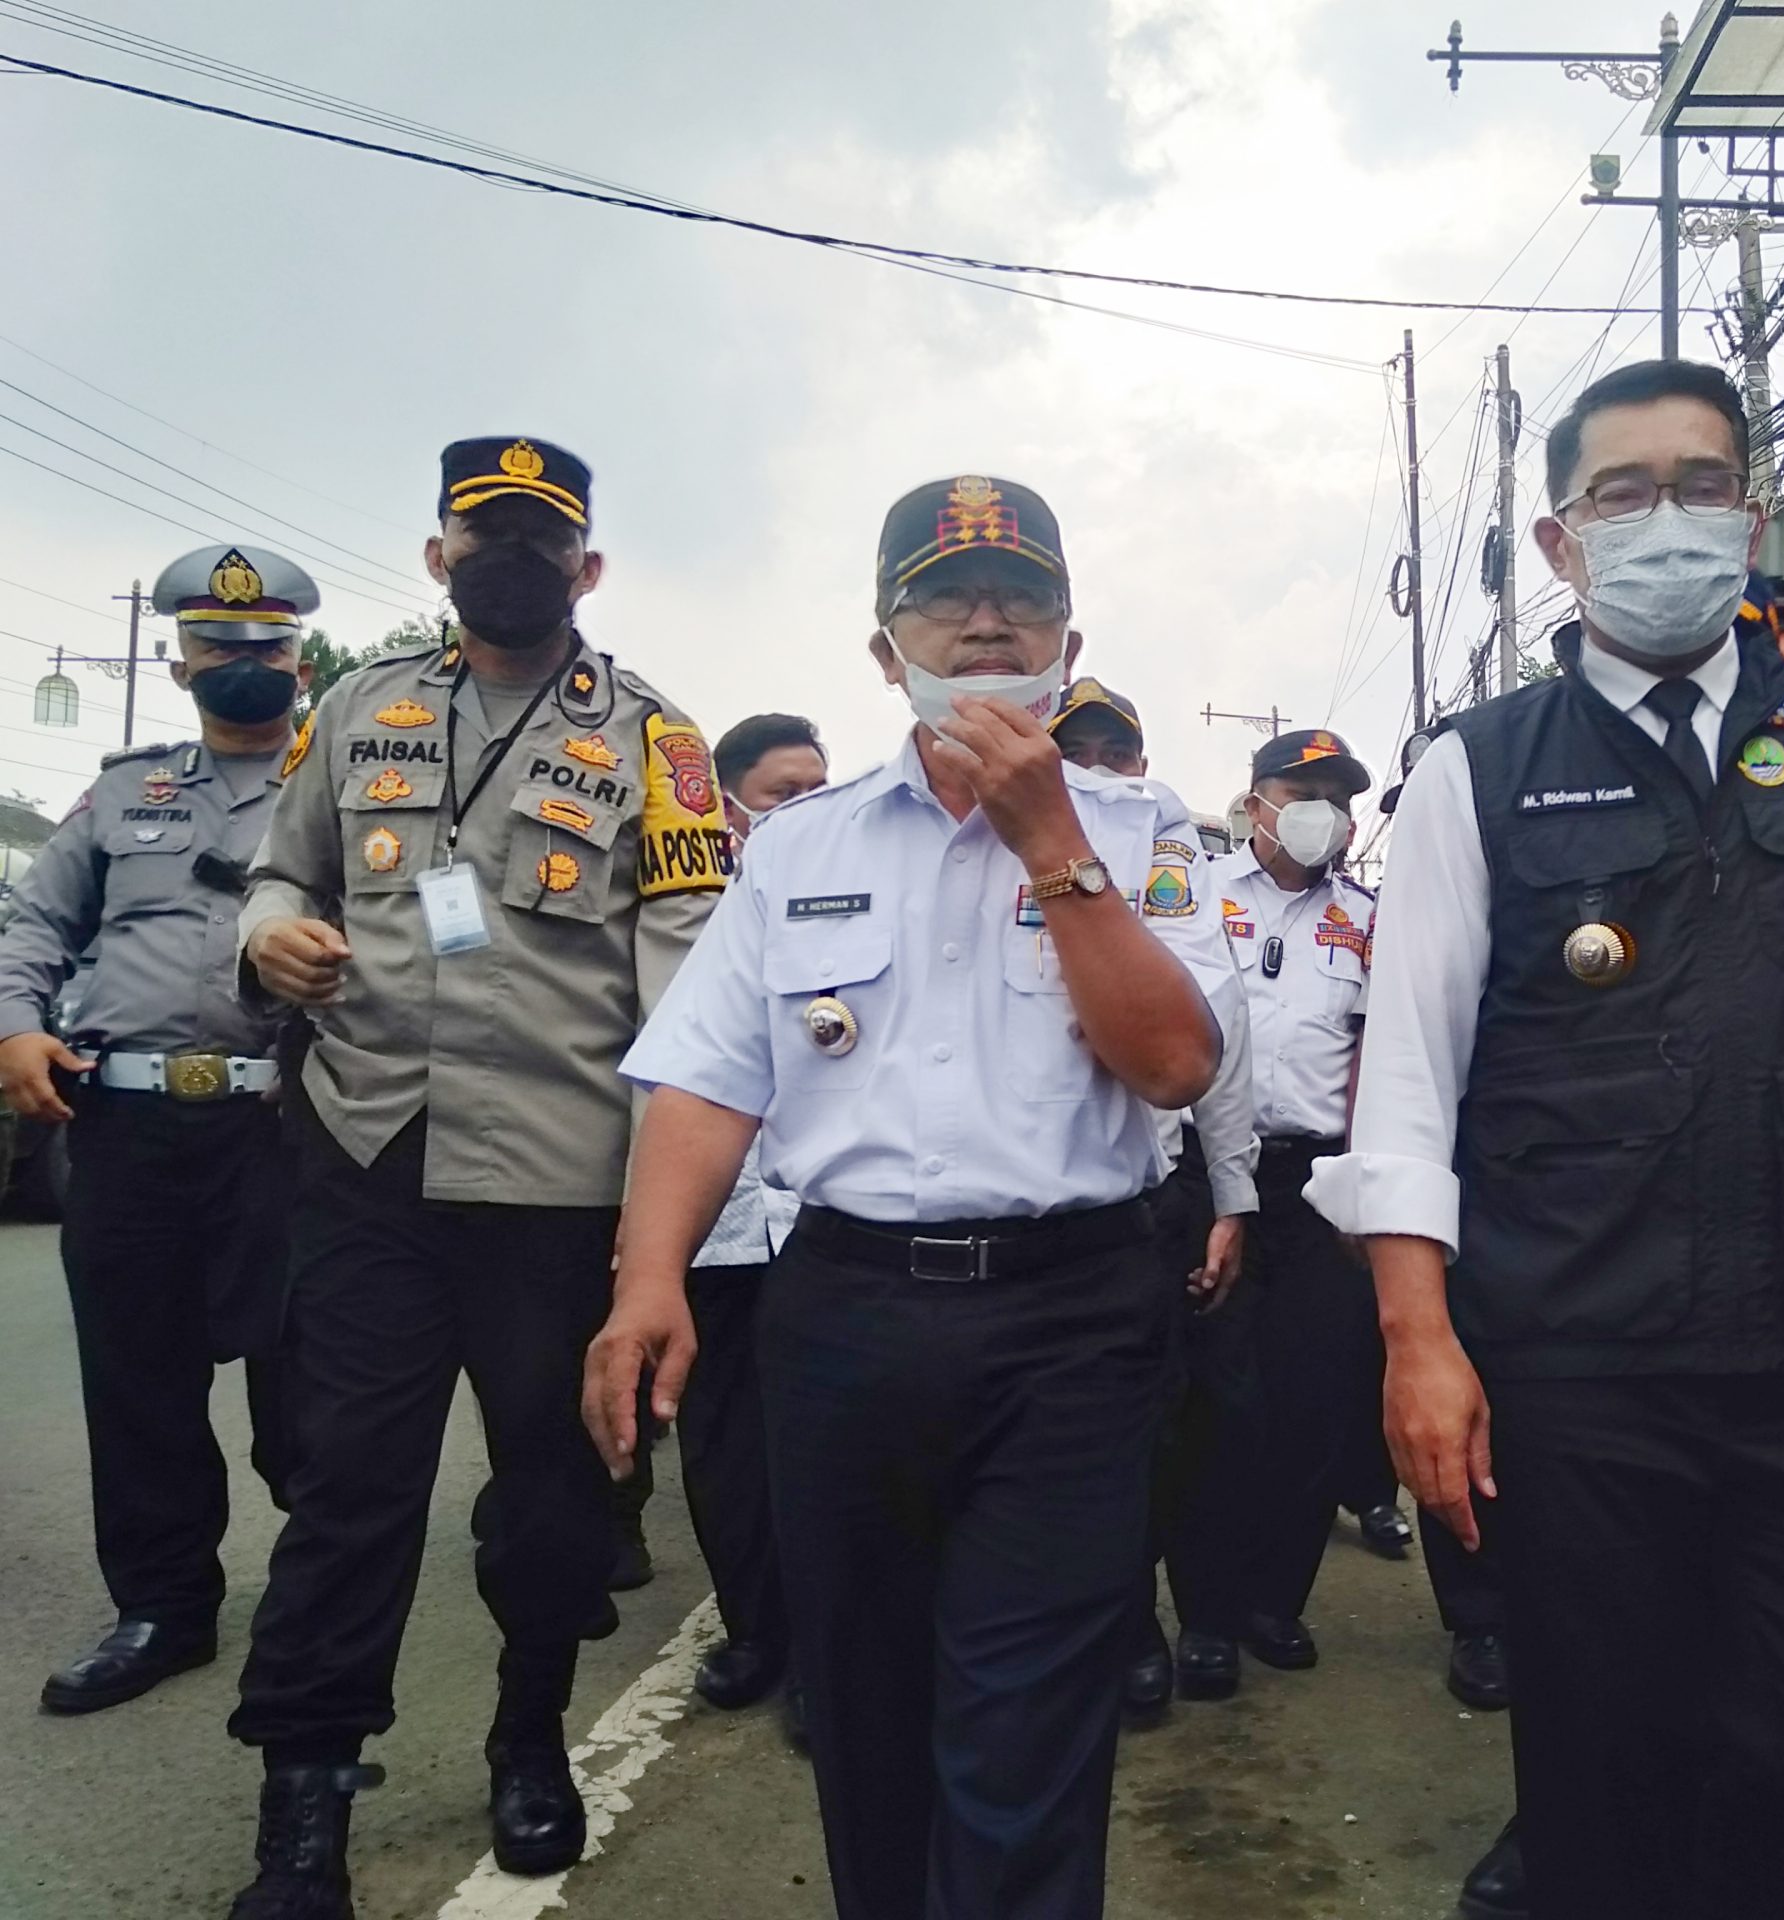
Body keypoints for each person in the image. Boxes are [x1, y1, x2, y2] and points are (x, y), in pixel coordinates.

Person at [1307, 358, 1784, 1920]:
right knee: (1606, 1752)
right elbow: (1409, 1084)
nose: (1666, 520)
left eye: (1700, 484)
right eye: (1622, 494)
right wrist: (1416, 1340)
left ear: (1752, 520)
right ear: (1563, 544)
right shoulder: (1475, 771)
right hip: (1577, 1357)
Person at [586, 475, 1240, 1920]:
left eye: (1021, 593)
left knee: (1025, 1728)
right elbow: (704, 1082)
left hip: (1072, 1324)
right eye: (948, 596)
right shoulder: (799, 848)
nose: (988, 620)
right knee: (865, 1706)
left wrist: (1051, 846)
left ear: (1071, 634)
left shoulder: (1148, 834)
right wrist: (648, 1283)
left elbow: (1177, 1062)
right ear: (889, 649)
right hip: (845, 1318)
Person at [223, 438, 731, 1919]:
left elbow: (689, 983)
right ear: (439, 560)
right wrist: (267, 933)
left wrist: (661, 1234)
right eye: (480, 537)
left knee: (555, 1495)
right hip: (369, 1152)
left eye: (541, 542)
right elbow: (281, 871)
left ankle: (530, 1733)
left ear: (587, 570)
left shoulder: (661, 742)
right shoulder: (359, 709)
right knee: (346, 1493)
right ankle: (303, 1798)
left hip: (561, 1191)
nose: (510, 562)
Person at [0, 543, 315, 1715]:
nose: (247, 665)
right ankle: (163, 1608)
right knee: (136, 1384)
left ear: (300, 659)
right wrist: (14, 1028)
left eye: (269, 648)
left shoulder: (345, 784)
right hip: (125, 1125)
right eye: (221, 648)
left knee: (311, 1387)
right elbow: (34, 922)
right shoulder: (125, 791)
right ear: (180, 661)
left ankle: (316, 1602)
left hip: (287, 1130)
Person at [1044, 677, 1264, 1719]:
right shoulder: (987, 858)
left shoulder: (1172, 861)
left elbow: (1220, 1043)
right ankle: (1124, 1632)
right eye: (1074, 750)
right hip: (1057, 1209)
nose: (1097, 768)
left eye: (1114, 753)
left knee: (1200, 1422)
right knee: (1099, 1438)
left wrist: (1230, 1198)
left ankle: (1207, 1620)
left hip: (1160, 1196)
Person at [1193, 729, 1395, 1681]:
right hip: (1205, 1179)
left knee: (1315, 1398)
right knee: (1212, 1401)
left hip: (1320, 1185)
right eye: (1301, 788)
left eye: (1338, 794)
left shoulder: (1368, 917)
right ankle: (1203, 1611)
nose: (1323, 809)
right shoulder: (1194, 898)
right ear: (1257, 800)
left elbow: (1388, 1062)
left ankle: (1273, 1601)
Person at [674, 712, 831, 1719]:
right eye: (783, 793)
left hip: (822, 1212)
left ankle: (834, 1654)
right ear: (729, 800)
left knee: (827, 1443)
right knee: (726, 1440)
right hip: (717, 1220)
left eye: (819, 788)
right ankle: (754, 1630)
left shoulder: (836, 890)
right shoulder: (670, 905)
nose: (804, 810)